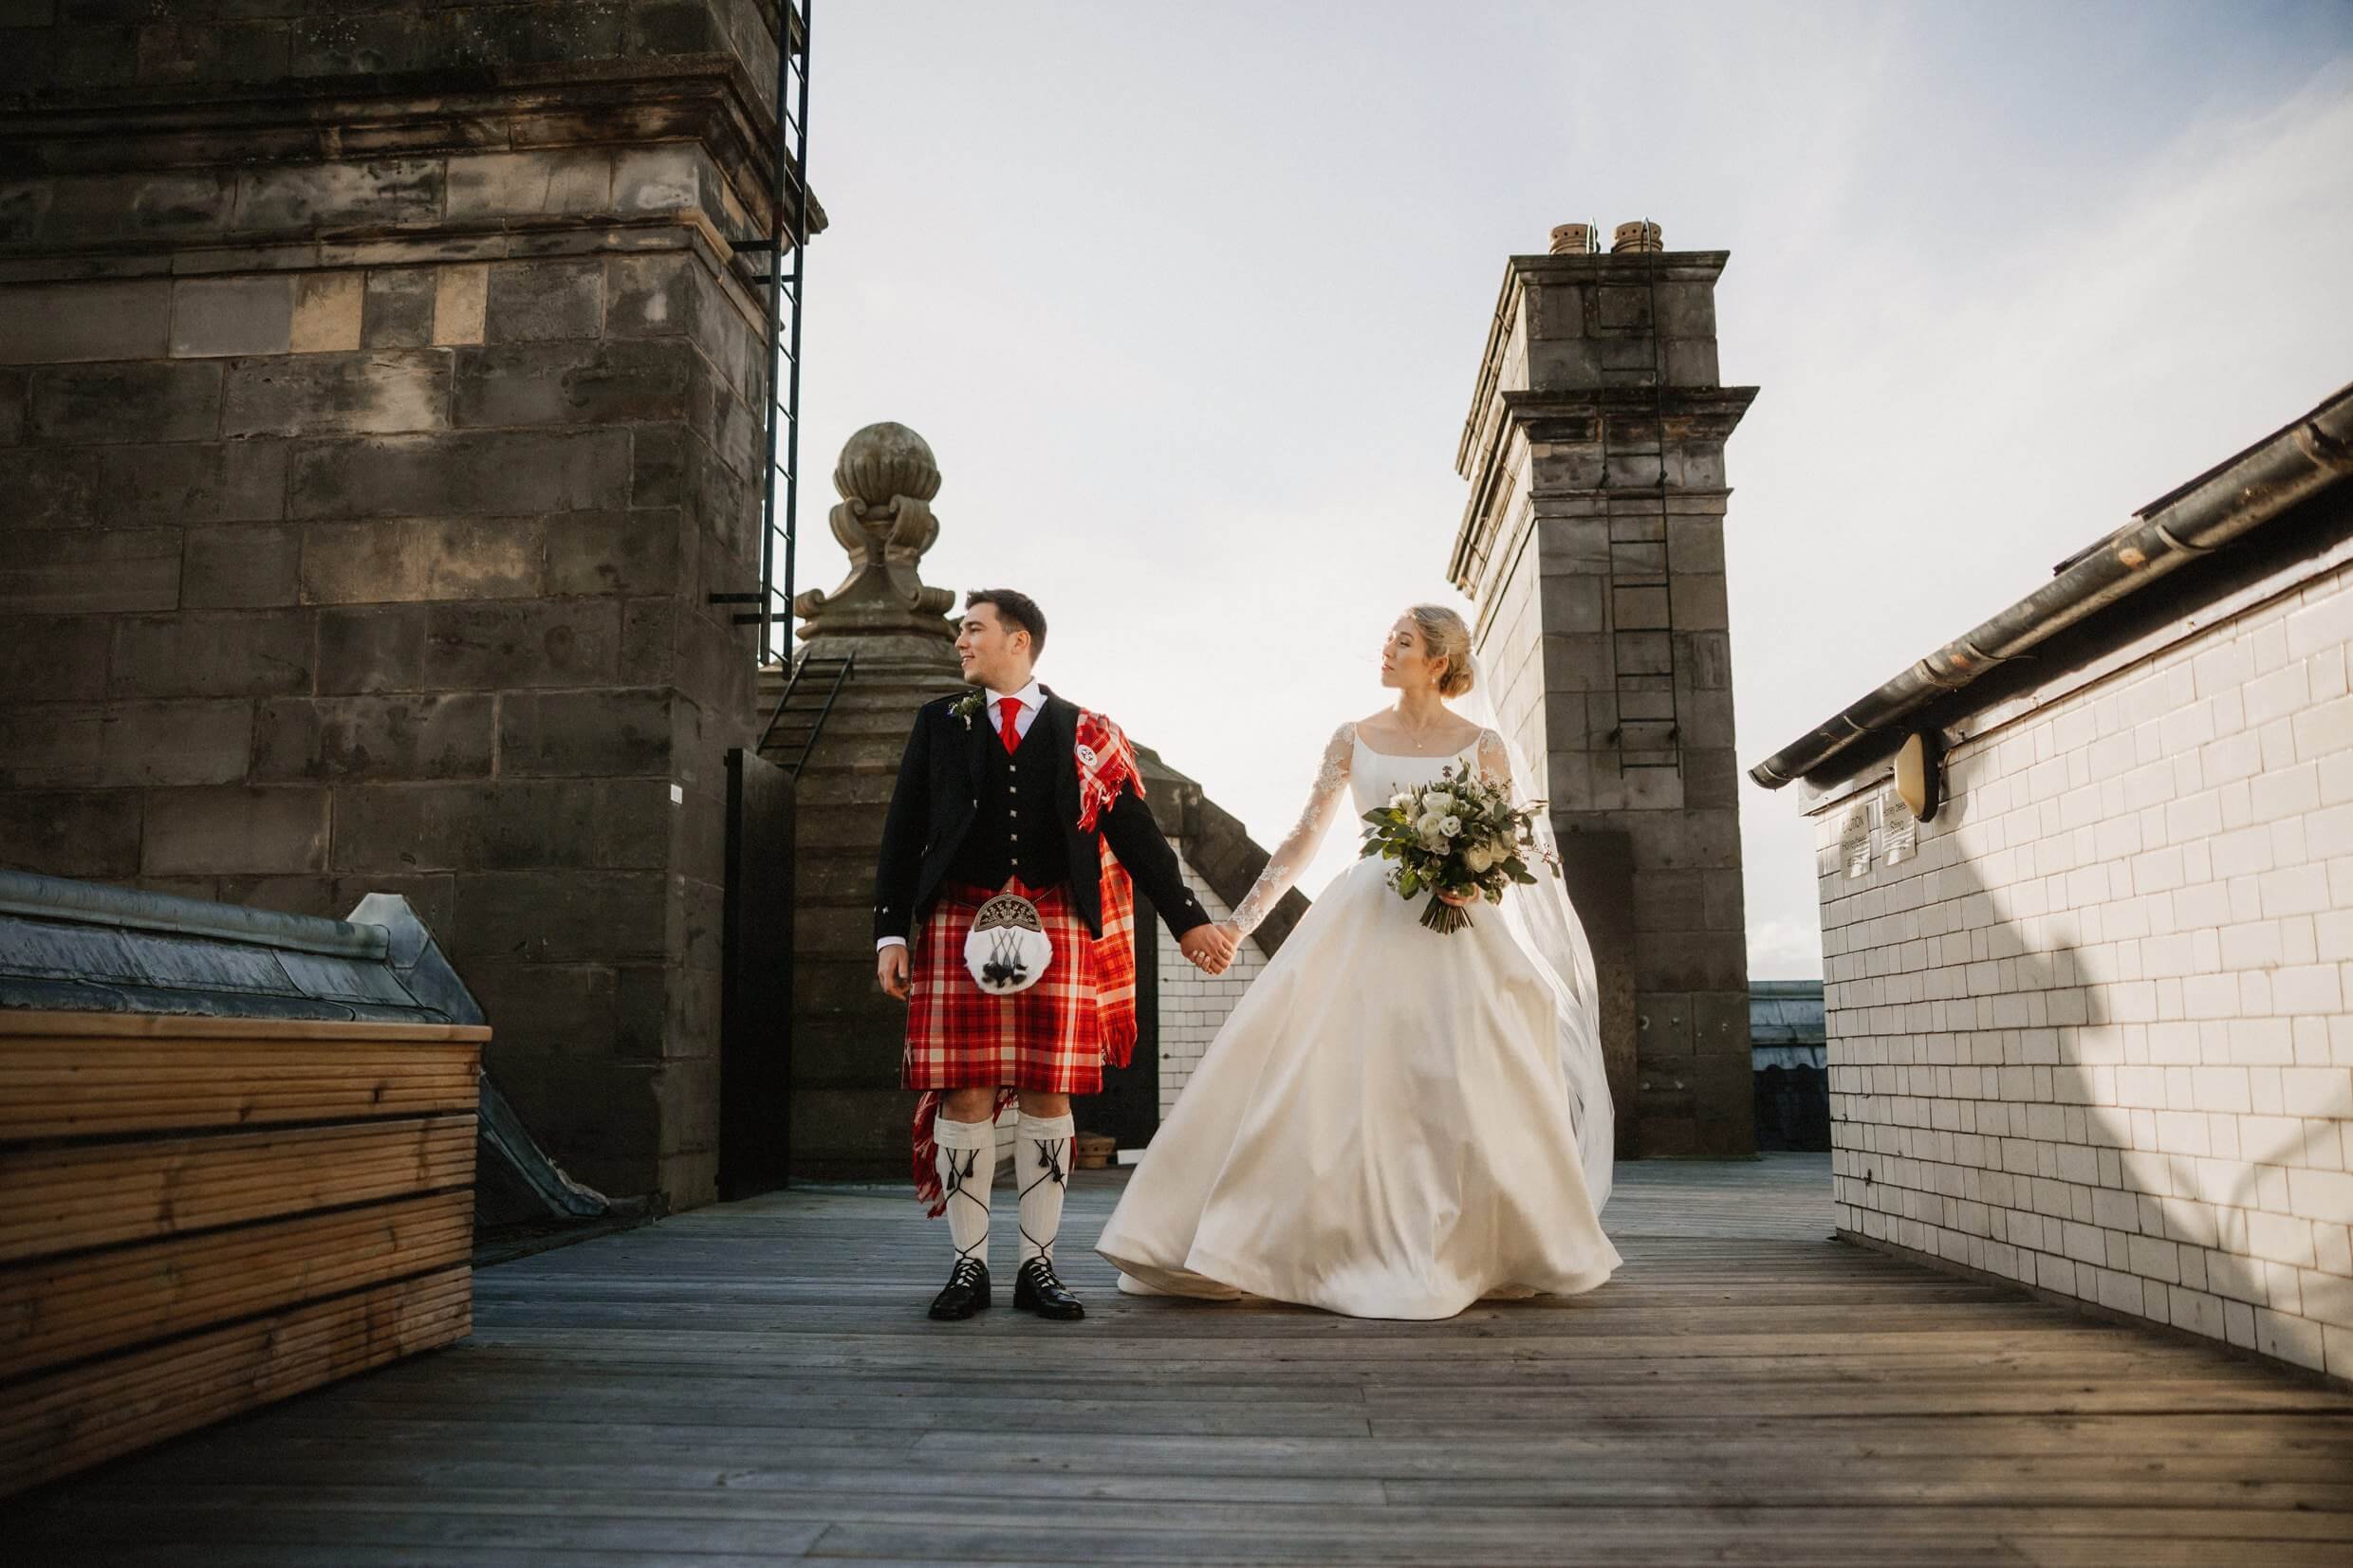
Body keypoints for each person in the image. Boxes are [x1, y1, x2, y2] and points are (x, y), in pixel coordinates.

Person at [1094, 604, 1621, 1319]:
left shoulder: (1484, 746)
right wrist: (1237, 923)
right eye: (1388, 638)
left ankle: (1475, 1244)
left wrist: (1472, 874)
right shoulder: (1354, 737)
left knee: (1457, 1078)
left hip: (1455, 927)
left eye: (1403, 641)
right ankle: (1310, 1241)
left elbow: (1514, 847)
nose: (1387, 648)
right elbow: (1301, 840)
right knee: (1337, 1075)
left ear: (1438, 659)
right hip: (1367, 913)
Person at [874, 588, 1237, 1323]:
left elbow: (1135, 831)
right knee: (964, 1092)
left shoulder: (1085, 731)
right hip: (956, 916)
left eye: (972, 629)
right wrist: (888, 931)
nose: (960, 643)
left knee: (1050, 1092)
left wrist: (1189, 919)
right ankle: (968, 1267)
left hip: (1056, 921)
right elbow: (903, 827)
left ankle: (1038, 1266)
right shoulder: (940, 723)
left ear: (1019, 641)